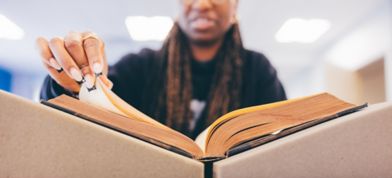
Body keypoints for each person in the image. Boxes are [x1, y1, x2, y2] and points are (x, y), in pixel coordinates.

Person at [37, 0, 286, 138]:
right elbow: (84, 112)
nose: (201, 3)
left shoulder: (258, 71)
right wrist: (70, 81)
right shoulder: (141, 67)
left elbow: (281, 140)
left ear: (235, 9)